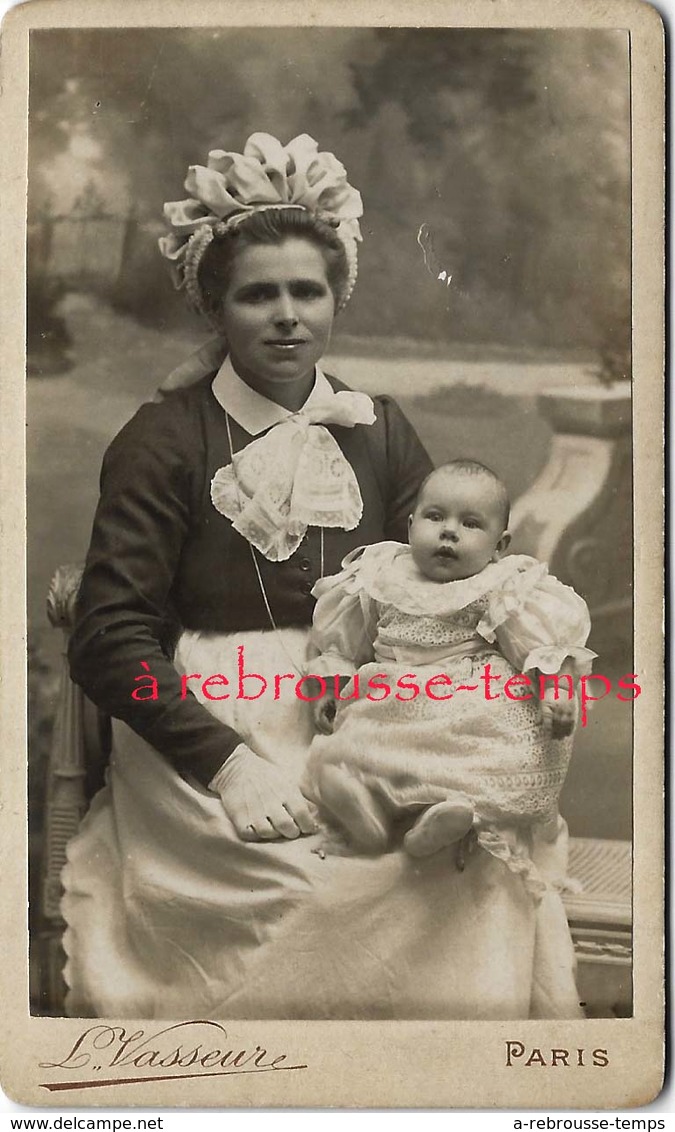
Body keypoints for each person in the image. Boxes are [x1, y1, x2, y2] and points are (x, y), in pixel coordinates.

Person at [62, 133, 582, 1021]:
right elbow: (109, 636)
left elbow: (460, 575)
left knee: (468, 855)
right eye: (257, 295)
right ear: (213, 309)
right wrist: (228, 766)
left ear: (335, 297)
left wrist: (528, 659)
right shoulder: (161, 441)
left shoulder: (374, 427)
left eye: (307, 291)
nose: (286, 316)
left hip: (367, 709)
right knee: (308, 876)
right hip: (212, 723)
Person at [303, 461, 596, 897]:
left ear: (500, 546)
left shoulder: (499, 586)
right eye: (435, 516)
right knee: (357, 751)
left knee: (472, 756)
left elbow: (537, 647)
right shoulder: (381, 574)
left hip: (463, 700)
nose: (449, 532)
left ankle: (443, 821)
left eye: (470, 524)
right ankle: (368, 816)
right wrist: (330, 685)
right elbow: (346, 640)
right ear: (410, 524)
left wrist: (555, 687)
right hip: (392, 699)